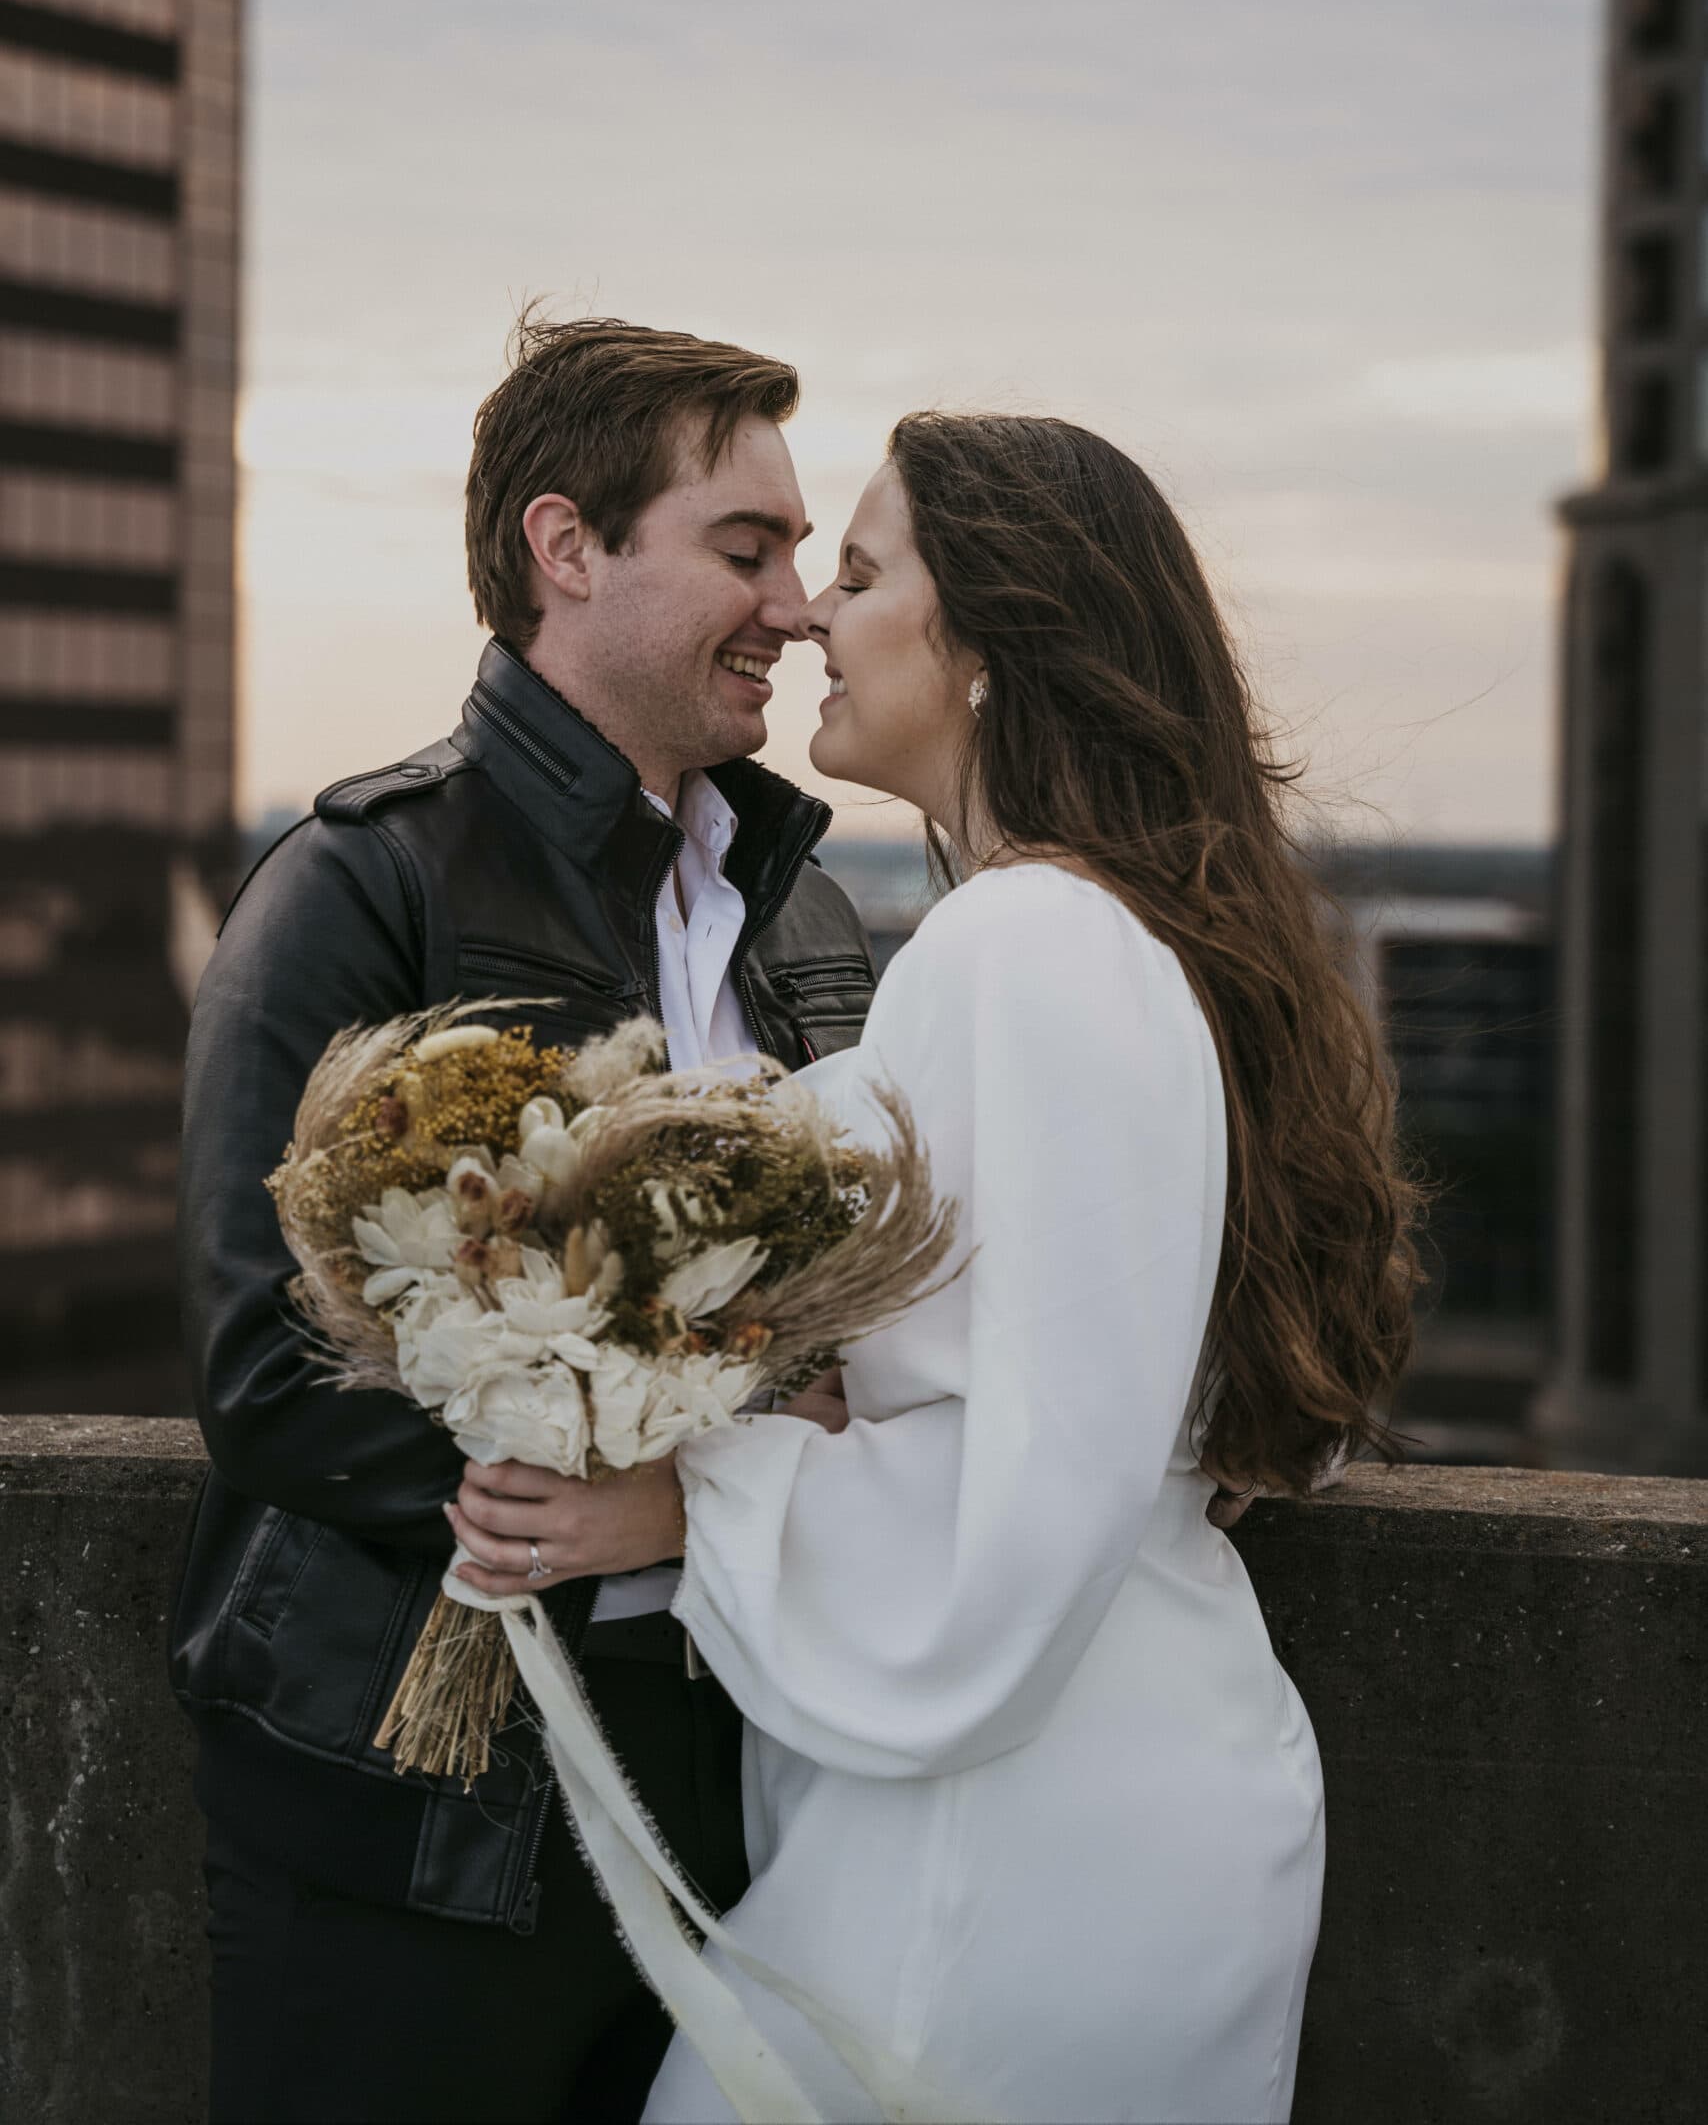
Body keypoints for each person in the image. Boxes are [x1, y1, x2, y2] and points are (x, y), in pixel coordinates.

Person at [459, 410, 1418, 2125]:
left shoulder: (1032, 945)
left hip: (1019, 1827)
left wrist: (698, 1500)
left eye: (860, 569)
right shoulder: (1106, 933)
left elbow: (1029, 1498)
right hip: (1094, 1777)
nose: (815, 614)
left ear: (989, 643)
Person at [169, 316, 883, 2125]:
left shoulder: (809, 929)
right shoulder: (360, 885)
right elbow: (265, 1364)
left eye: (801, 558)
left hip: (748, 1805)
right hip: (407, 1815)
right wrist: (598, 1481)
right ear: (567, 551)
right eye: (748, 548)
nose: (797, 607)